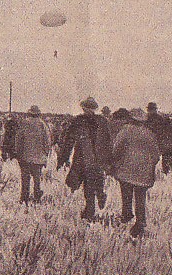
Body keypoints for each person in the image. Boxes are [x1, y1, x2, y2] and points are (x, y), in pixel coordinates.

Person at [57, 97, 112, 222]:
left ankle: (90, 211)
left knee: (88, 186)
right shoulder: (103, 121)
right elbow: (109, 142)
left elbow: (68, 142)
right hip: (96, 160)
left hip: (83, 159)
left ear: (84, 108)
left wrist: (63, 159)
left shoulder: (78, 121)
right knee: (94, 182)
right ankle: (98, 197)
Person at [113, 108, 160, 238]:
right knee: (140, 198)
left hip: (126, 171)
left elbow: (117, 148)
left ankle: (126, 215)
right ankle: (141, 221)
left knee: (126, 194)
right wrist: (149, 166)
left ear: (131, 119)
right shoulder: (149, 134)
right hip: (144, 173)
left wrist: (116, 162)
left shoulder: (125, 130)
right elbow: (156, 155)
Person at [15, 105, 52, 204]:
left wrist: (18, 154)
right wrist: (45, 154)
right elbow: (47, 142)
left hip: (25, 158)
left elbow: (18, 141)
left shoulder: (24, 123)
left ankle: (24, 199)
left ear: (29, 113)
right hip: (38, 159)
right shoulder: (43, 125)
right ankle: (37, 198)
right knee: (37, 180)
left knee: (25, 180)